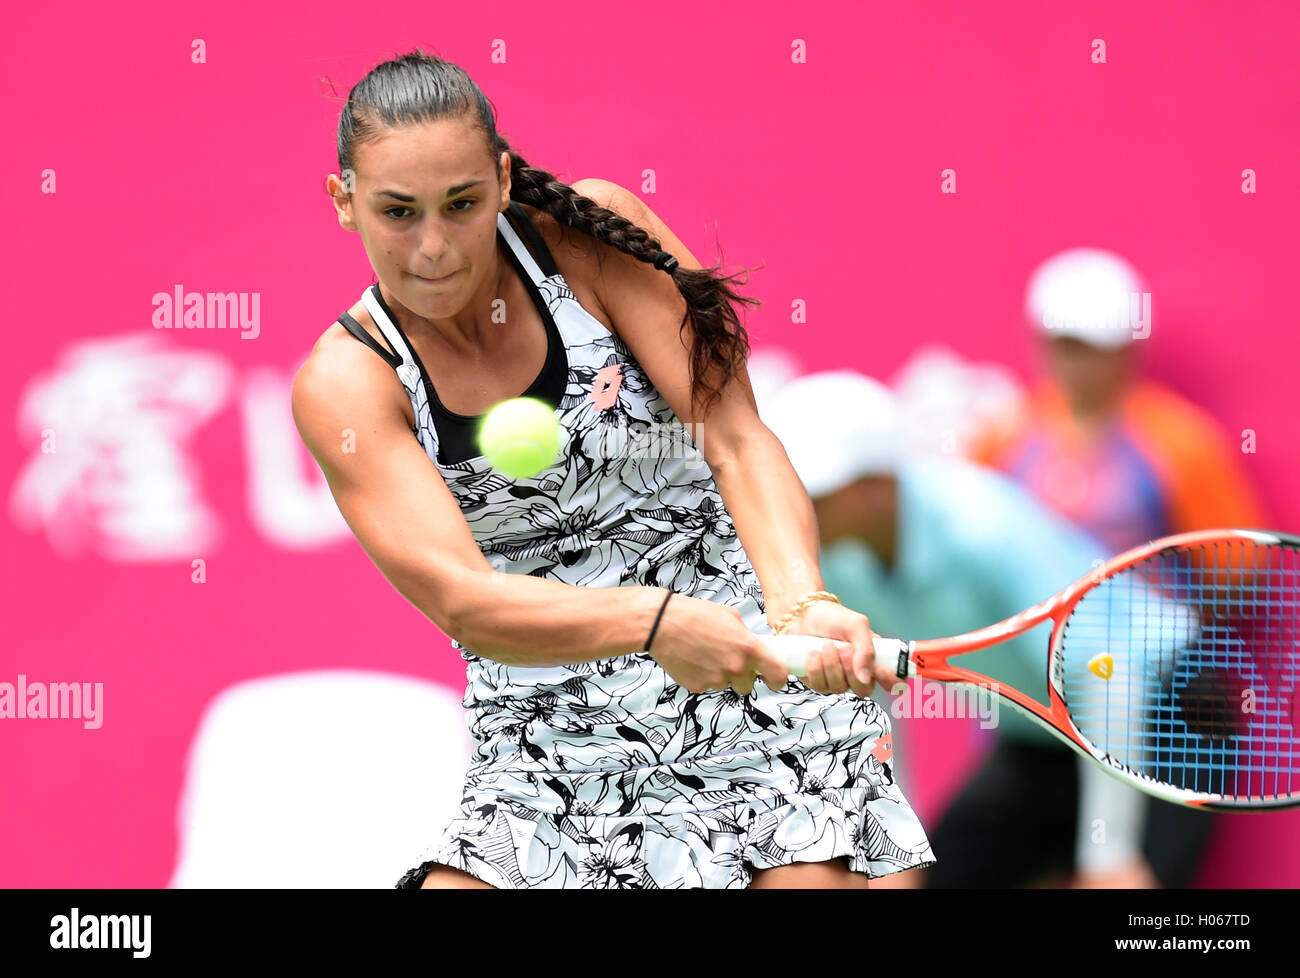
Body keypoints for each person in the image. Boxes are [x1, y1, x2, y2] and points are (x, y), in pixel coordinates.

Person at [292, 49, 935, 890]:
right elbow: (466, 602)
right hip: (546, 732)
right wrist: (654, 623)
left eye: (462, 203)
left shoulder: (590, 242)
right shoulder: (348, 383)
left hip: (752, 671)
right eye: (398, 212)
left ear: (502, 176)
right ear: (344, 202)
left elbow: (737, 438)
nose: (436, 247)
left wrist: (802, 600)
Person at [760, 370, 1153, 889]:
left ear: (879, 482)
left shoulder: (982, 525)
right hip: (1042, 741)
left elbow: (1107, 674)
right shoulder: (835, 560)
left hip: (1161, 721)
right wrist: (896, 843)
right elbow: (874, 695)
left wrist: (1110, 854)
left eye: (818, 494)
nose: (801, 511)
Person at [970, 247, 1270, 887]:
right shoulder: (1004, 440)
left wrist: (1138, 641)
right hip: (1043, 717)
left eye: (1094, 345)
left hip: (1175, 717)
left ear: (1130, 347)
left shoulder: (1180, 443)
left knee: (1137, 898)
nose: (1077, 361)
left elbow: (1241, 575)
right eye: (1065, 342)